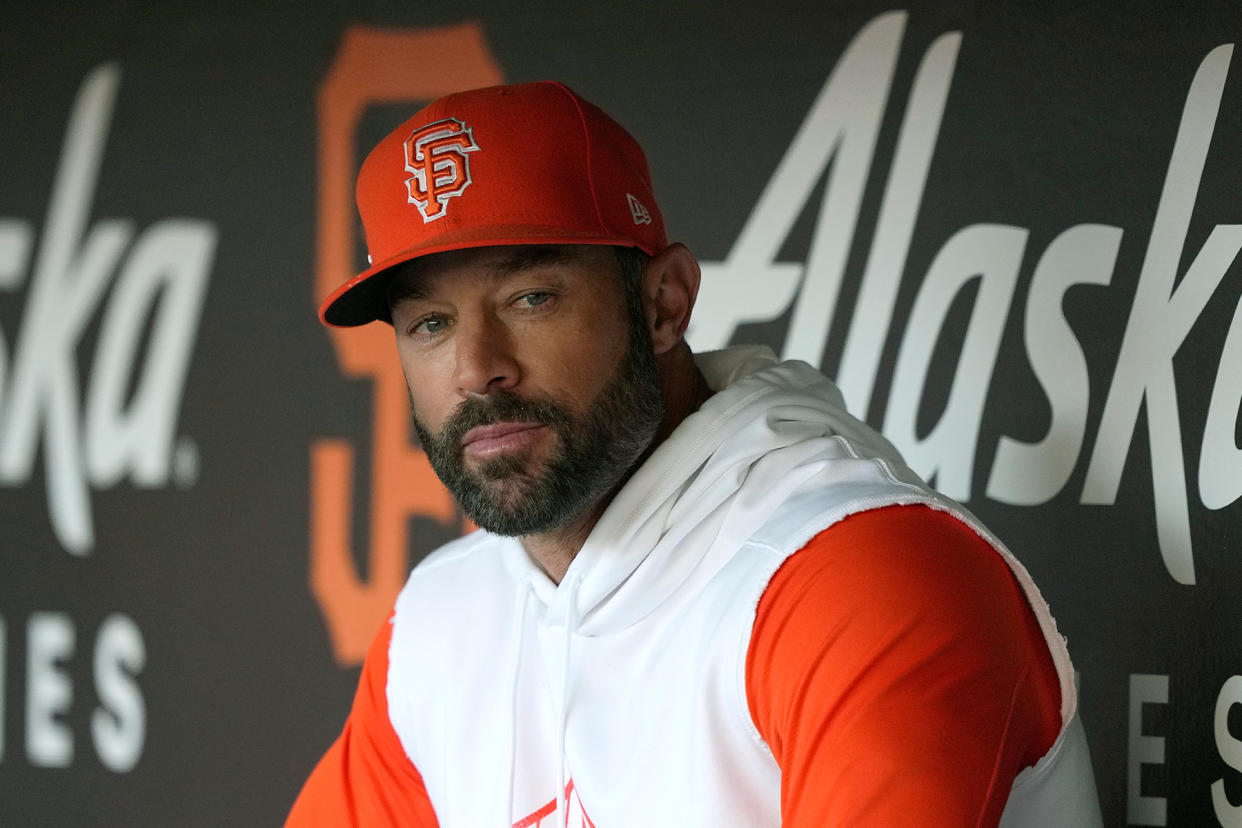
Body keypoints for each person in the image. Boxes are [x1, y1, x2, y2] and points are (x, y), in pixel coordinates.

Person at [287, 81, 1102, 827]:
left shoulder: (856, 574)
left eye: (530, 297)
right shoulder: (442, 619)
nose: (475, 369)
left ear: (663, 305)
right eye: (430, 324)